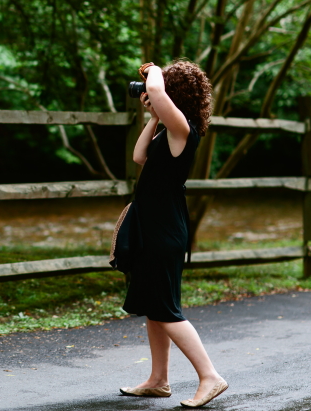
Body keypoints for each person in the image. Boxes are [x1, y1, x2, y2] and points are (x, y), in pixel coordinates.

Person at [119, 61, 227, 407]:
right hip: (154, 224)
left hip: (164, 227)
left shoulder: (184, 128)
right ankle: (159, 380)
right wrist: (152, 117)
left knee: (166, 308)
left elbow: (154, 88)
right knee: (155, 305)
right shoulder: (170, 128)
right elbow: (139, 156)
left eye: (164, 85)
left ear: (172, 92)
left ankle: (210, 376)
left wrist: (154, 70)